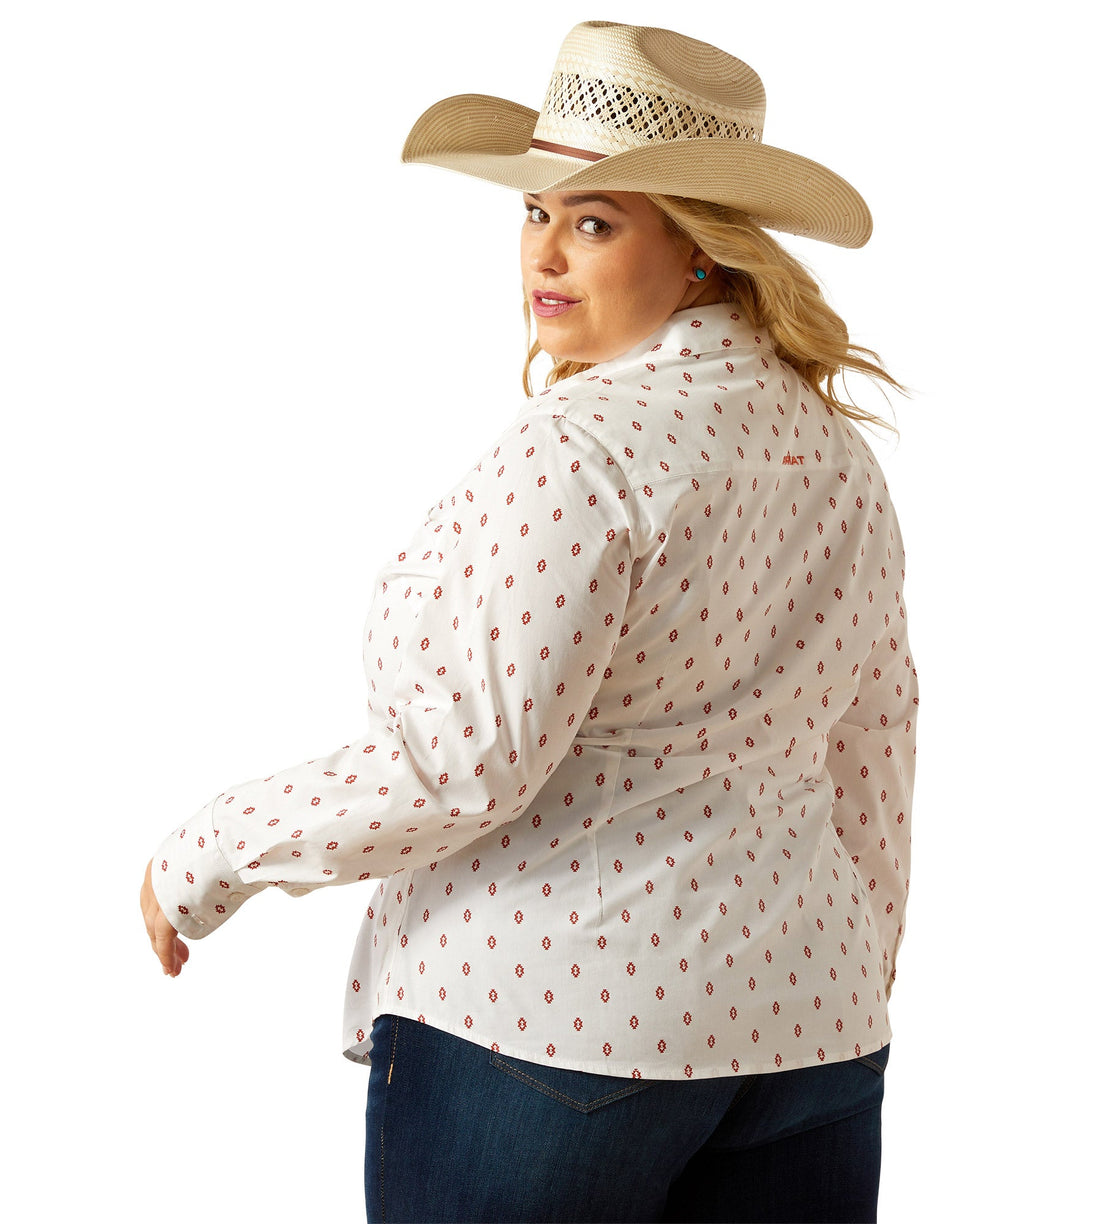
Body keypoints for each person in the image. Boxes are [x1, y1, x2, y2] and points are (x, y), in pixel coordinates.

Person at [141, 20, 919, 1224]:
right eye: (535, 214)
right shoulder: (832, 456)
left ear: (702, 252)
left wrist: (210, 851)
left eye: (596, 222)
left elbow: (464, 768)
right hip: (809, 1028)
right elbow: (877, 745)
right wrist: (853, 968)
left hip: (555, 1032)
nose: (545, 256)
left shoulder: (583, 448)